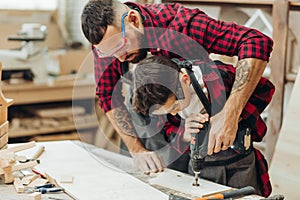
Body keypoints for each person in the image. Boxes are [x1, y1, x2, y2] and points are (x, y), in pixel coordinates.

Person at [81, 0, 274, 196]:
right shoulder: (108, 43)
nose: (119, 58)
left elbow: (256, 41)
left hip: (188, 141)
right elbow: (107, 94)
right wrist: (136, 149)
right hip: (152, 138)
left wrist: (229, 114)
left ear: (133, 20)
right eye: (109, 53)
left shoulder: (182, 25)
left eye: (121, 46)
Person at [132, 55, 275, 196]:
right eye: (169, 111)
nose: (175, 112)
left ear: (185, 79)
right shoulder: (160, 98)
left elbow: (265, 89)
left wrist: (231, 116)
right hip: (201, 165)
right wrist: (184, 133)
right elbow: (167, 129)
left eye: (175, 105)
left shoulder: (217, 76)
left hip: (239, 163)